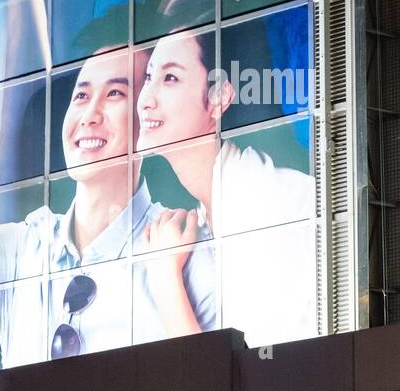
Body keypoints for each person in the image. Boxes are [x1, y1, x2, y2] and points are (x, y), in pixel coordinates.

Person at [0, 45, 215, 369]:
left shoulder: (183, 251)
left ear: (147, 116)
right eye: (81, 96)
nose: (90, 115)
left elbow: (213, 387)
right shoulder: (23, 251)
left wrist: (167, 277)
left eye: (115, 93)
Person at [135, 31, 316, 346]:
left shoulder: (266, 206)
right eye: (149, 77)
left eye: (170, 78)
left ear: (219, 99)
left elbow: (236, 381)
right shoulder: (221, 204)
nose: (146, 99)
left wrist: (164, 277)